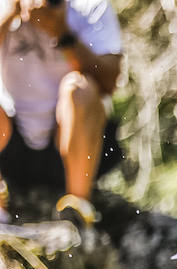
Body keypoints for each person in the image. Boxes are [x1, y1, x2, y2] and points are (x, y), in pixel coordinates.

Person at [0, 0, 123, 225]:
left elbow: (109, 80)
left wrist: (62, 33)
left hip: (72, 149)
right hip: (12, 148)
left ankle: (78, 209)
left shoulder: (90, 6)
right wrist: (8, 15)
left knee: (79, 88)